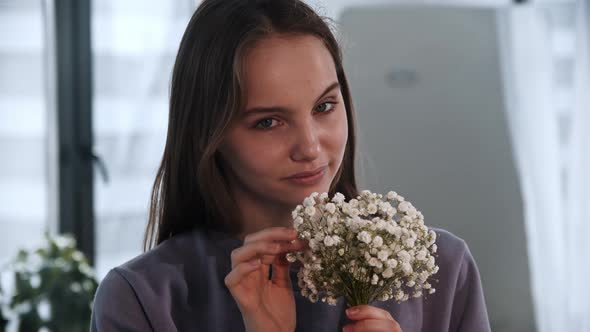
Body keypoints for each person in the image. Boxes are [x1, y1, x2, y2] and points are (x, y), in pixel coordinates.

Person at [90, 0, 492, 331]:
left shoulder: (443, 270)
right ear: (208, 134)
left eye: (324, 106)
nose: (310, 147)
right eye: (268, 122)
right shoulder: (142, 300)